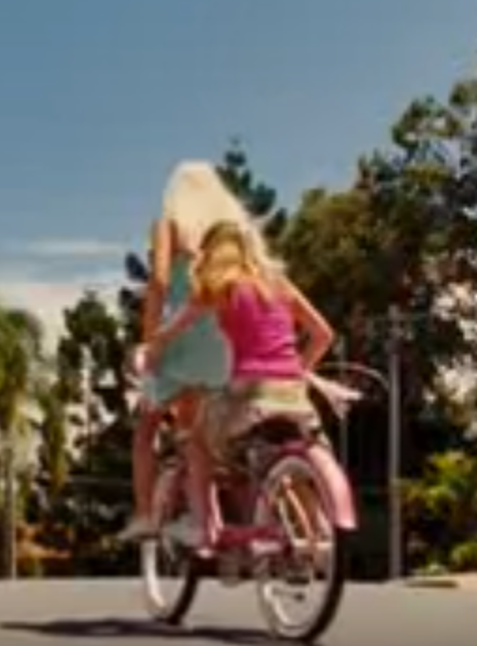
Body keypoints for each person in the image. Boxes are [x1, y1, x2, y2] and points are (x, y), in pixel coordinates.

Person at [143, 220, 337, 549]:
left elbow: (168, 333)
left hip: (249, 396)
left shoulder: (219, 287)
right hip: (295, 398)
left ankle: (204, 528)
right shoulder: (279, 284)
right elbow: (323, 335)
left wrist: (149, 353)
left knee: (195, 440)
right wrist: (299, 371)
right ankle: (317, 534)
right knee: (292, 447)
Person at [117, 160, 250, 544]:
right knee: (194, 431)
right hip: (220, 342)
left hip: (180, 335)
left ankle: (145, 515)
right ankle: (205, 519)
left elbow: (159, 281)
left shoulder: (168, 226)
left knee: (146, 427)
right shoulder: (227, 232)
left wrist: (150, 341)